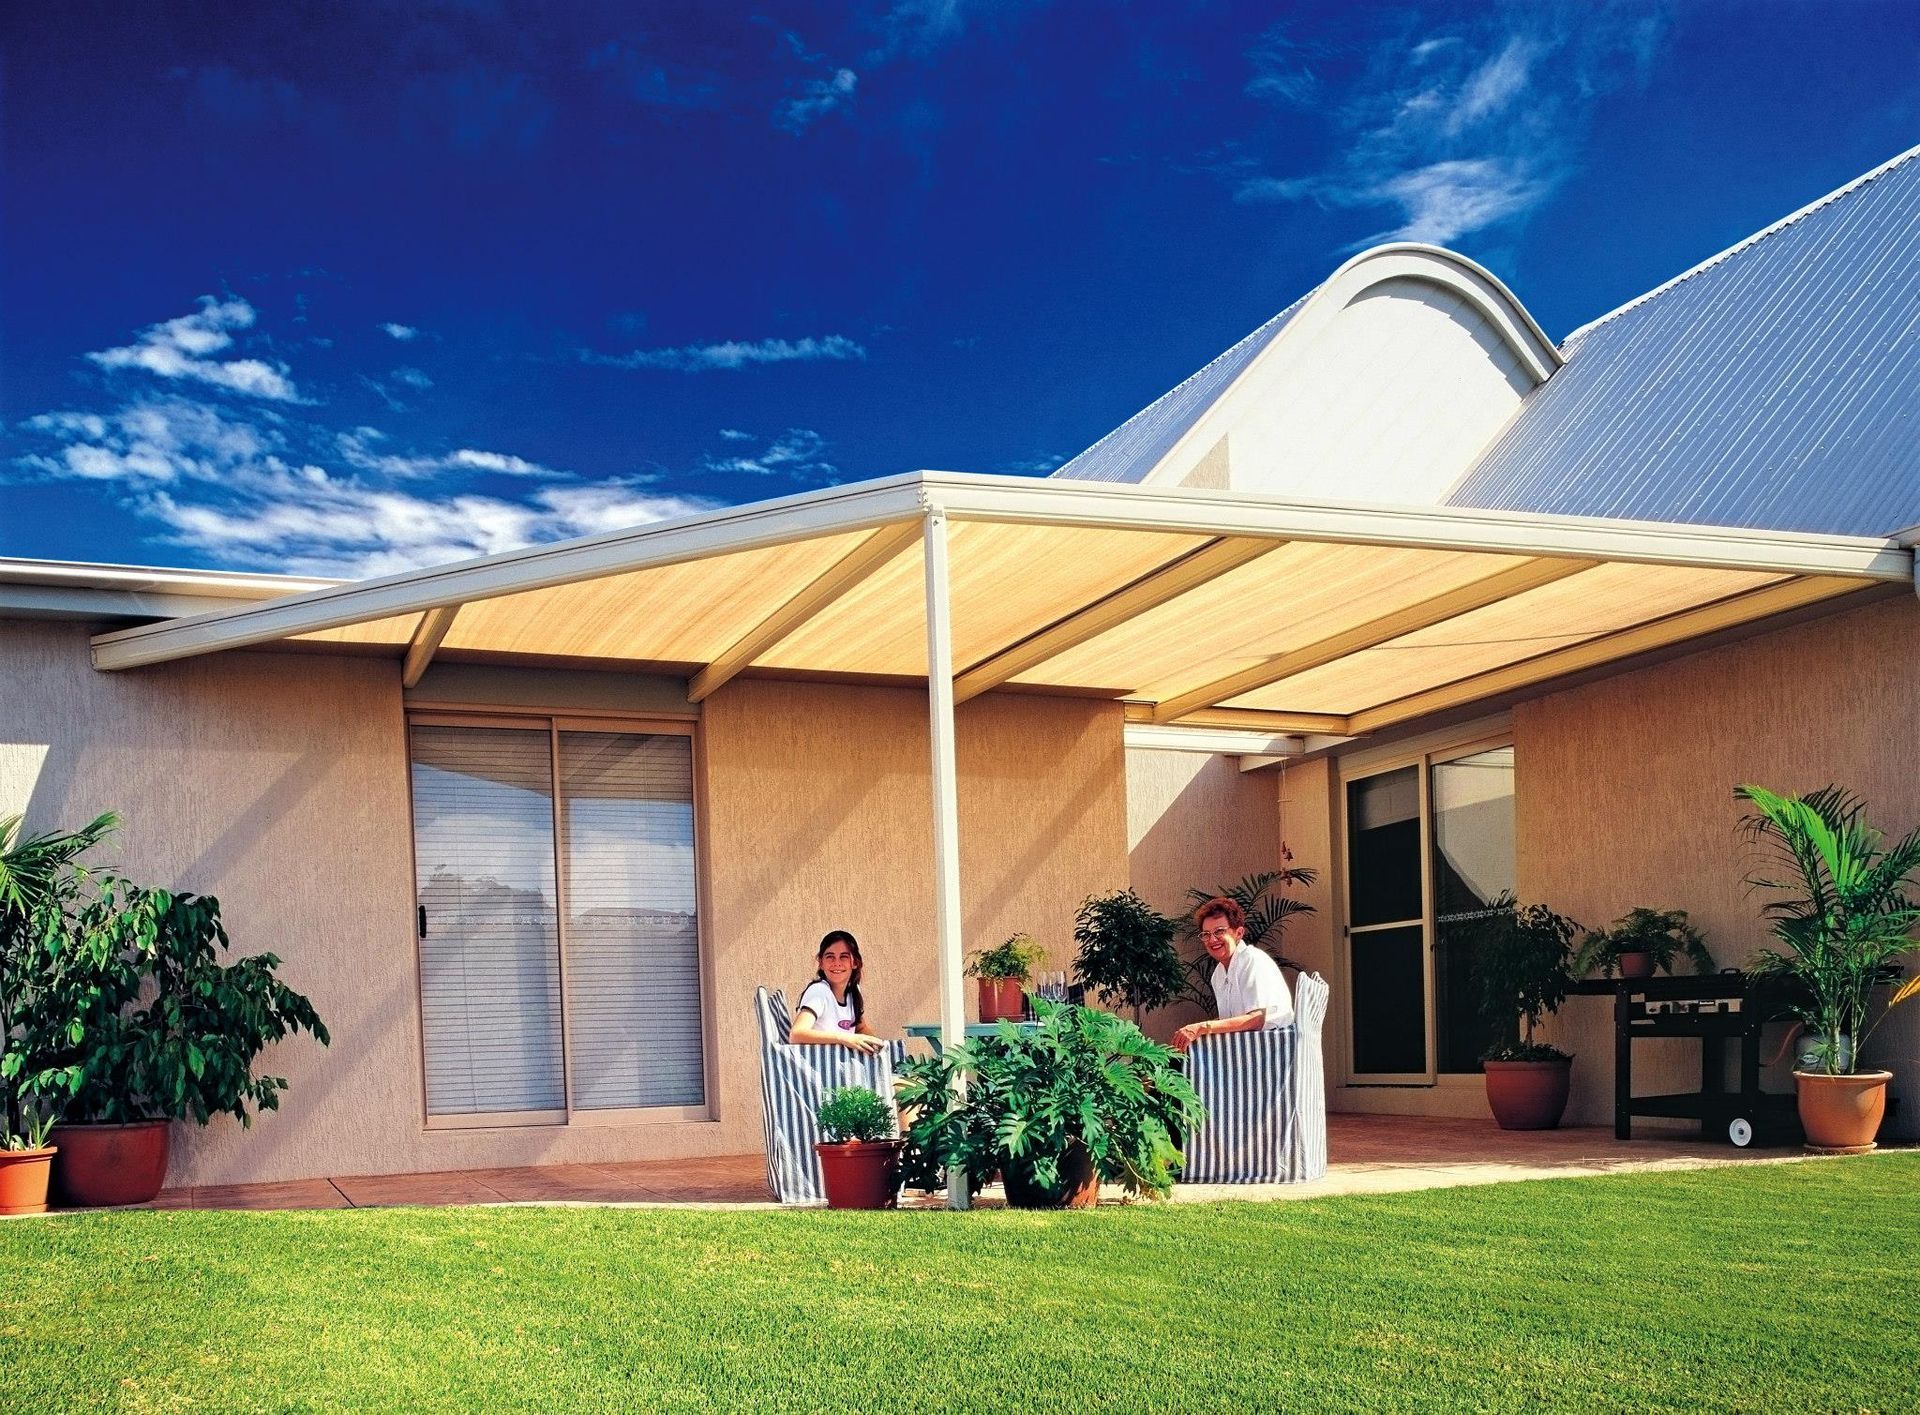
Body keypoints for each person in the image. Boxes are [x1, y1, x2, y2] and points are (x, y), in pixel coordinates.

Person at [1172, 896, 1294, 1051]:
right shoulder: (1218, 974)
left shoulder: (1252, 959)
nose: (1212, 939)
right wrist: (1193, 1032)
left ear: (1239, 933)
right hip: (1244, 1048)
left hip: (1273, 1048)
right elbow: (1229, 1021)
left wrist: (1202, 1027)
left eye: (1219, 931)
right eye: (1206, 934)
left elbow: (1257, 1019)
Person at [789, 929, 888, 1055]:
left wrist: (878, 1046)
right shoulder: (819, 991)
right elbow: (796, 1034)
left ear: (855, 963)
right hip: (820, 1069)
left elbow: (860, 1027)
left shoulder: (853, 992)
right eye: (830, 957)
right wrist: (843, 1038)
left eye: (844, 957)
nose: (837, 963)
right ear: (821, 963)